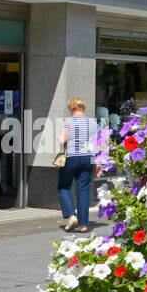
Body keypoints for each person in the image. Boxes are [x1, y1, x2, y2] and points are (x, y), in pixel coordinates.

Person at [57, 97, 102, 233]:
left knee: (63, 187)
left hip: (71, 158)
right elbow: (101, 142)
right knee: (83, 190)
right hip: (88, 158)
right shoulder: (93, 123)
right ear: (83, 108)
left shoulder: (68, 121)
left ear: (71, 108)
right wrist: (98, 163)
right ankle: (83, 225)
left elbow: (61, 139)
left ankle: (71, 215)